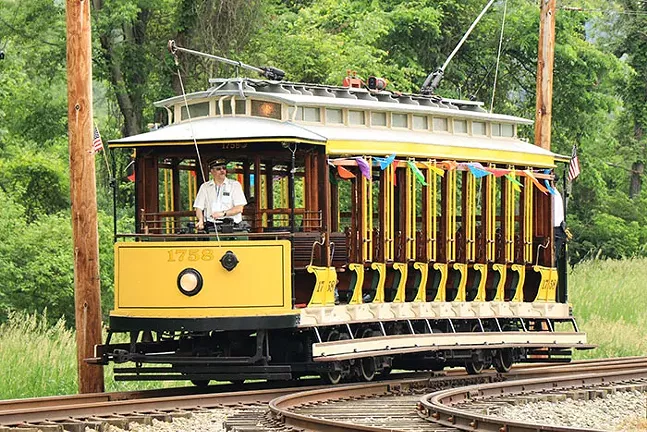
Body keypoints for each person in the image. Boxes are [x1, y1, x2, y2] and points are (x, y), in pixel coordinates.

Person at [194, 158, 247, 231]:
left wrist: (223, 214)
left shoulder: (235, 185)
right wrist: (200, 220)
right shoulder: (205, 187)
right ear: (212, 171)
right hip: (211, 226)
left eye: (224, 168)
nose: (222, 171)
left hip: (232, 226)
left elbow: (239, 208)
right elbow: (199, 207)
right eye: (218, 169)